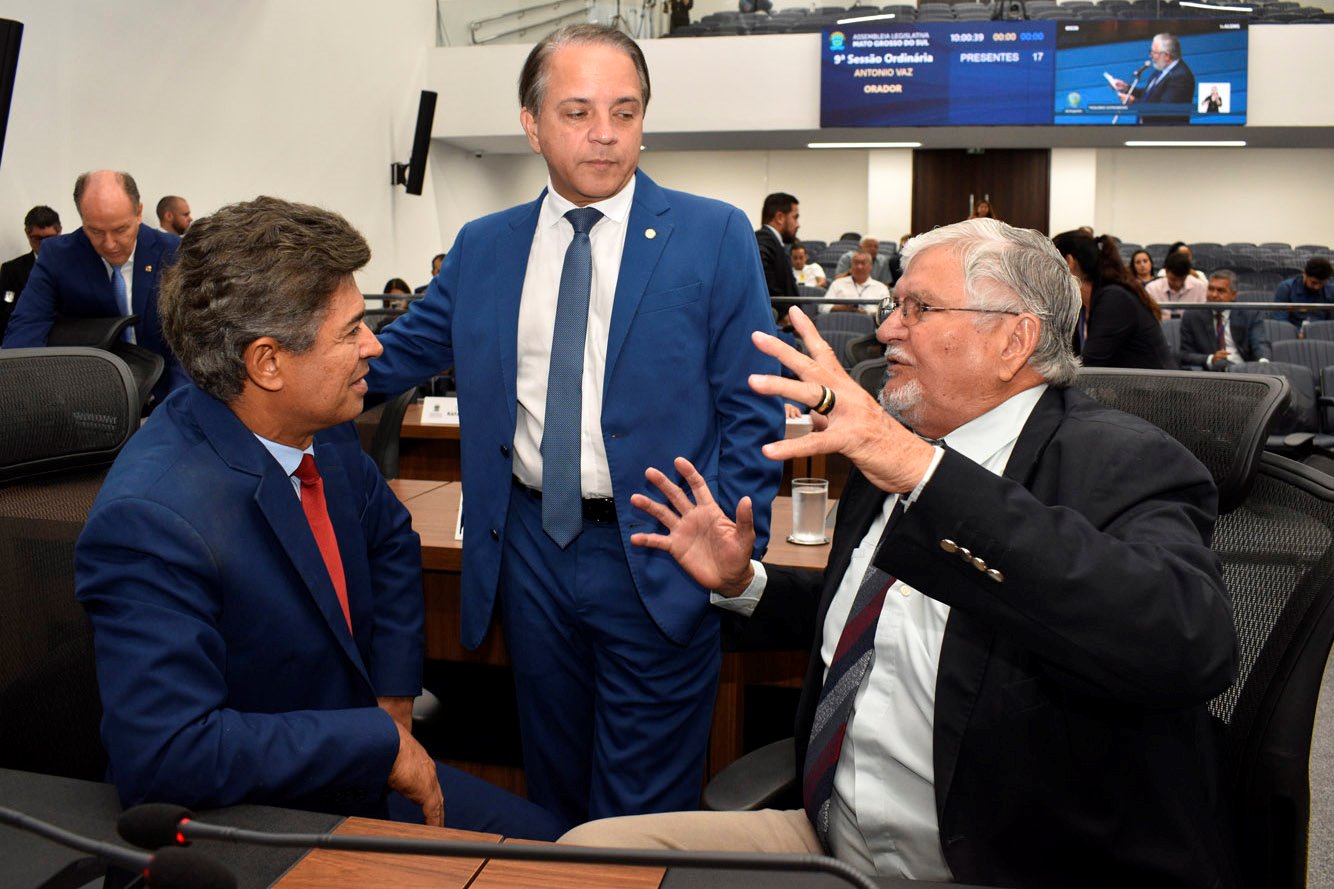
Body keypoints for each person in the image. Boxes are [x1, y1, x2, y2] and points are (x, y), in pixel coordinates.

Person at [560, 218, 1239, 889]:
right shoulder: (897, 448)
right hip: (834, 838)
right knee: (580, 858)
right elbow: (878, 613)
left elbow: (1187, 640)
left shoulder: (1122, 462)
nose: (886, 330)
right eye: (894, 306)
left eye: (918, 308)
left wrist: (924, 473)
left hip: (999, 864)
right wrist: (744, 582)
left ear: (1013, 340)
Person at [365, 24, 784, 826]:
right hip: (530, 552)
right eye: (578, 111)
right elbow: (386, 360)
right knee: (553, 792)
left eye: (625, 112)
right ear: (531, 124)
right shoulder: (485, 246)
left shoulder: (713, 234)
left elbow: (753, 405)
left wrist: (735, 539)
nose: (605, 133)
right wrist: (250, 376)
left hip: (662, 553)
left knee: (641, 817)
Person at [74, 196, 562, 840]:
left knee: (569, 851)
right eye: (351, 331)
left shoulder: (317, 428)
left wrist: (393, 699)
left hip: (352, 768)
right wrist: (372, 741)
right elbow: (167, 756)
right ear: (267, 362)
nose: (375, 346)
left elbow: (389, 539)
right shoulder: (150, 522)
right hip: (253, 819)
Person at [3, 170, 188, 403]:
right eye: (96, 231)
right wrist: (21, 394)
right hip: (89, 399)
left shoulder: (174, 252)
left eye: (121, 229)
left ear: (139, 212)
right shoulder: (58, 257)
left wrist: (176, 405)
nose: (109, 244)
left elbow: (194, 339)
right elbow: (27, 327)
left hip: (167, 395)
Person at [1055, 230, 1173, 369]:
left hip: (1155, 383)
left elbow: (1090, 365)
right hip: (1126, 382)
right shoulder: (1084, 303)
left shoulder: (1114, 299)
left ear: (1069, 262)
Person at [1180, 269, 1271, 370]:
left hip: (1243, 370)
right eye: (1211, 289)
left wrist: (1263, 363)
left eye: (1220, 291)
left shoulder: (1250, 314)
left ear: (1233, 295)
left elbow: (1259, 343)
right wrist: (1210, 359)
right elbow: (1184, 355)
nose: (1214, 295)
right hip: (1211, 372)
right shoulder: (1192, 316)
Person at [0, 205, 61, 337]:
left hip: (69, 337)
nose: (44, 244)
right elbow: (6, 308)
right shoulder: (12, 270)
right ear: (27, 234)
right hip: (28, 338)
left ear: (59, 232)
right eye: (38, 238)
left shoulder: (74, 264)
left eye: (49, 238)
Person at [1112, 32, 1196, 124]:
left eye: (1154, 52)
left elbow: (1164, 111)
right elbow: (1149, 95)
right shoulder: (1162, 68)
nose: (1151, 56)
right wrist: (1126, 88)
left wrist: (1133, 102)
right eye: (1151, 51)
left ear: (1167, 56)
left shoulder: (1181, 77)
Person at [756, 192, 799, 299]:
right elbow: (760, 274)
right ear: (780, 217)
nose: (798, 225)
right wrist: (783, 308)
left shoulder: (771, 241)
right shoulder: (764, 239)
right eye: (795, 217)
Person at [1275, 256, 1334, 330]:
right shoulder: (1286, 288)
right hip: (1292, 331)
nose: (1317, 287)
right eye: (1314, 283)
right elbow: (1280, 320)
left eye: (1321, 283)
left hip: (1322, 331)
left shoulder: (1331, 290)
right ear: (1305, 275)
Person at [1147, 251, 1209, 318]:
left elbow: (1203, 315)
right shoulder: (1152, 288)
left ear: (1188, 273)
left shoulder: (1199, 287)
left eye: (1182, 279)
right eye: (1173, 279)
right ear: (1166, 271)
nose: (1178, 284)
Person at [822, 251, 888, 314]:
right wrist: (843, 308)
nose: (859, 267)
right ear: (851, 266)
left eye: (863, 263)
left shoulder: (881, 287)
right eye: (856, 263)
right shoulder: (837, 284)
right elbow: (823, 307)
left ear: (871, 266)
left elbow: (886, 312)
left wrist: (869, 313)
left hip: (870, 321)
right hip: (841, 319)